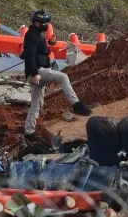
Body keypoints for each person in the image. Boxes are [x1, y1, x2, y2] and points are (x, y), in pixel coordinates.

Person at [22, 10, 92, 140]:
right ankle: (76, 104)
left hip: (35, 73)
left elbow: (36, 51)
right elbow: (30, 56)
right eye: (44, 23)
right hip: (37, 72)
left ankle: (29, 132)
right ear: (37, 22)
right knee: (63, 77)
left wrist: (50, 43)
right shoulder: (32, 35)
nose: (46, 25)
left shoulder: (36, 35)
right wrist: (35, 73)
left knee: (36, 105)